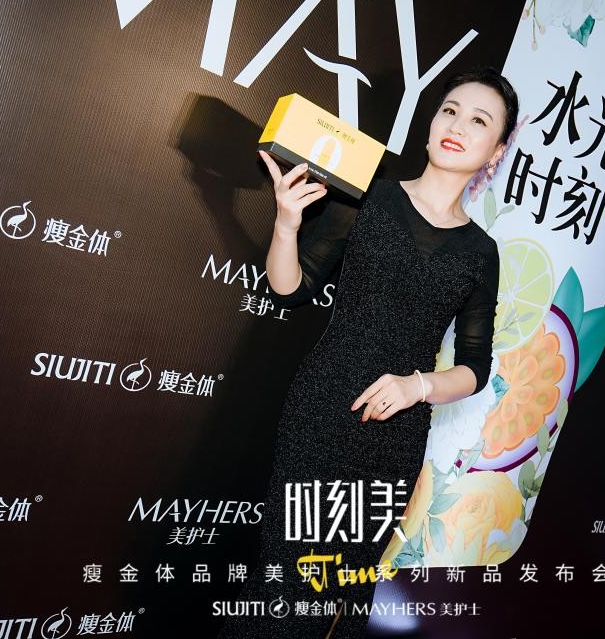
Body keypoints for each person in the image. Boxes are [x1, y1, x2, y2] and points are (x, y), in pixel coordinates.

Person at [216, 67, 518, 639]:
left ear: (496, 151)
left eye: (479, 121)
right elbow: (292, 288)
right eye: (450, 110)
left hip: (392, 441)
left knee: (341, 591)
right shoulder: (370, 195)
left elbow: (475, 369)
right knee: (283, 587)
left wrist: (416, 386)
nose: (457, 126)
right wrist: (287, 224)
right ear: (432, 123)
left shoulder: (482, 253)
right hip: (322, 413)